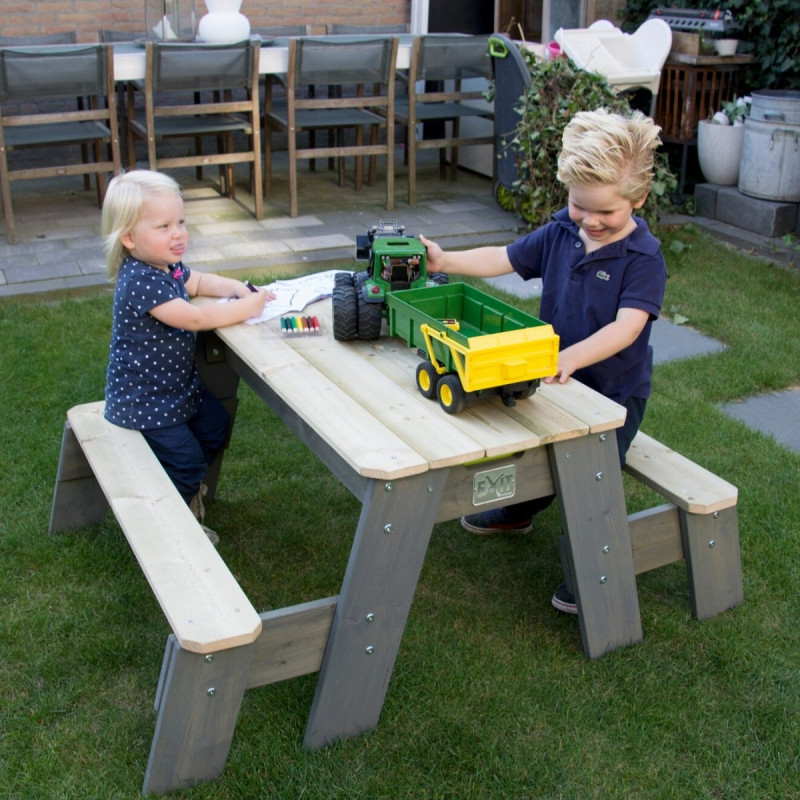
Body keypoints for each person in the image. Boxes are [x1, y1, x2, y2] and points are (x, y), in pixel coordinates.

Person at [420, 108, 668, 614]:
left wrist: (571, 357)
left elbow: (628, 327)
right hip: (555, 379)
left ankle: (595, 575)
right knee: (533, 453)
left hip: (614, 393)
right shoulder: (560, 233)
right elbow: (505, 258)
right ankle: (520, 509)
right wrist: (445, 262)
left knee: (593, 479)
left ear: (638, 200)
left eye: (607, 213)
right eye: (581, 207)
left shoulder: (642, 259)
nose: (592, 222)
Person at [101, 170, 274, 544]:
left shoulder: (165, 266)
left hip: (177, 390)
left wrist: (236, 288)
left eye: (180, 222)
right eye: (163, 226)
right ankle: (172, 526)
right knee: (186, 461)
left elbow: (196, 282)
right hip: (144, 401)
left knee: (216, 426)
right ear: (129, 238)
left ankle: (186, 489)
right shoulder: (140, 281)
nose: (178, 234)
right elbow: (196, 317)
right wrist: (247, 309)